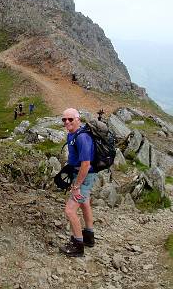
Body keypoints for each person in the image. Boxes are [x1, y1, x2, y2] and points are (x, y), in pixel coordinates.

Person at [59, 108, 97, 257]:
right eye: (64, 119)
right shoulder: (72, 134)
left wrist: (76, 186)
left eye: (70, 119)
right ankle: (89, 237)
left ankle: (78, 245)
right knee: (85, 203)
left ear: (78, 119)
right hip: (79, 174)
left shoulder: (82, 138)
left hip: (84, 177)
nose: (67, 122)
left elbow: (86, 164)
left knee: (70, 210)